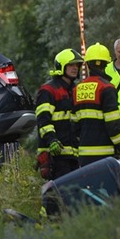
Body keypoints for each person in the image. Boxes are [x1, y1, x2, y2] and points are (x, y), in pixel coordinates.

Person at [73, 43, 120, 167]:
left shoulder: (78, 89)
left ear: (87, 65)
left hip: (84, 154)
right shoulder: (107, 88)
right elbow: (113, 123)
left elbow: (75, 124)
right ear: (106, 64)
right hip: (105, 155)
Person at [35, 49, 83, 179]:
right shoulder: (48, 90)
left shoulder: (76, 90)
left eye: (77, 65)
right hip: (56, 153)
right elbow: (43, 120)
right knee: (61, 192)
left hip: (75, 154)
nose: (75, 68)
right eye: (71, 65)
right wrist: (52, 140)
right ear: (61, 66)